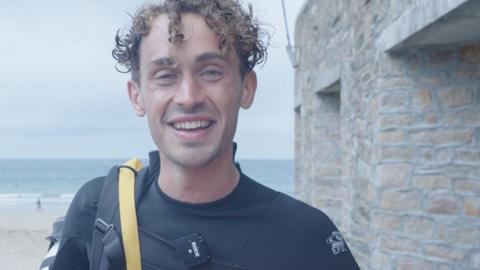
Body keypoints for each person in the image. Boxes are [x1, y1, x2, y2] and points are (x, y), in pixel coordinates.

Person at [52, 0, 360, 269]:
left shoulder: (306, 238)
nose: (188, 97)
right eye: (165, 76)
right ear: (137, 96)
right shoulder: (97, 210)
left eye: (211, 71)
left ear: (247, 88)